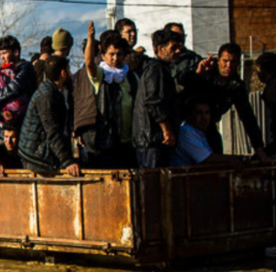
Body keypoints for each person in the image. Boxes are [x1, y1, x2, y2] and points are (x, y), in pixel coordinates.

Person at [180, 43, 268, 161]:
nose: (228, 66)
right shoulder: (206, 73)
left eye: (233, 62)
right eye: (225, 61)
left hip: (210, 128)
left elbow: (247, 117)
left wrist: (259, 149)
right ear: (218, 60)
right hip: (190, 127)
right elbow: (183, 82)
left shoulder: (236, 85)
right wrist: (197, 74)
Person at [74, 21, 137, 168]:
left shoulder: (132, 77)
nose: (115, 58)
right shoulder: (101, 75)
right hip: (106, 142)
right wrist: (90, 39)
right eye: (111, 54)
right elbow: (89, 64)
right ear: (103, 55)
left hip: (128, 142)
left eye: (119, 54)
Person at [18, 56, 82, 176]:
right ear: (63, 73)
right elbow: (52, 132)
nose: (70, 73)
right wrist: (67, 162)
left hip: (38, 153)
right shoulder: (46, 96)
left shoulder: (52, 91)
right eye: (69, 69)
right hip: (36, 158)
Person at [133, 29, 183, 168]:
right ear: (160, 49)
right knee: (152, 183)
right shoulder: (156, 69)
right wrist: (166, 130)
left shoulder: (162, 69)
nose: (178, 51)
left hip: (154, 140)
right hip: (151, 141)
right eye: (173, 48)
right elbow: (154, 102)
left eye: (179, 47)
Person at [171, 98, 245, 168]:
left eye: (207, 113)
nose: (204, 117)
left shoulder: (199, 133)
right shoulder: (186, 132)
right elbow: (207, 159)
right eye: (199, 113)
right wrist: (231, 159)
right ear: (189, 115)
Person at [0, 35, 37, 126]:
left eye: (4, 53)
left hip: (26, 122)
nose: (2, 57)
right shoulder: (3, 72)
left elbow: (13, 87)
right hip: (9, 124)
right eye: (0, 54)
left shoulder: (25, 68)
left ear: (16, 52)